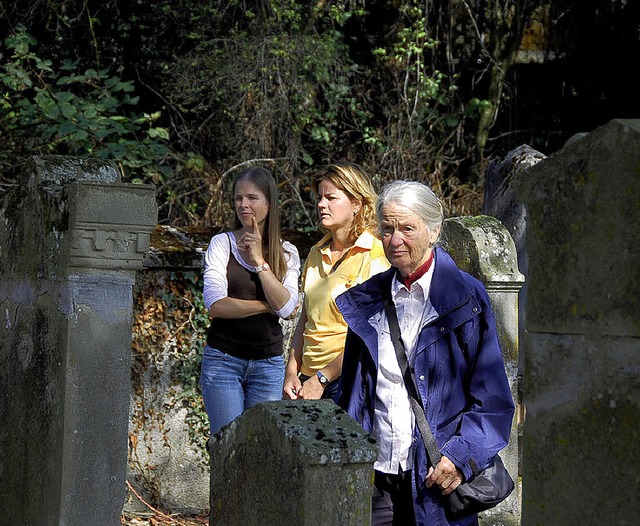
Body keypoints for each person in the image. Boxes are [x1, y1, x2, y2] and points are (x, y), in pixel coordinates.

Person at [335, 180, 514, 526]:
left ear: (434, 231)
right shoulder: (367, 301)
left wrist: (459, 457)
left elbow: (493, 400)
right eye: (387, 229)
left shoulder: (465, 299)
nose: (395, 239)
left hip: (436, 480)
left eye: (407, 228)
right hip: (374, 478)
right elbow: (354, 394)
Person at [201, 166, 300, 436]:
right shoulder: (222, 244)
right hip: (223, 361)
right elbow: (216, 305)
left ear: (269, 202)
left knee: (262, 449)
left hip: (268, 366)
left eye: (252, 198)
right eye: (237, 198)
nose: (243, 204)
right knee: (228, 446)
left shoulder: (287, 253)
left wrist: (259, 261)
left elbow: (288, 307)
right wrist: (268, 307)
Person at [283, 162, 390, 401]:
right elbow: (305, 319)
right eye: (320, 198)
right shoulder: (314, 253)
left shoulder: (375, 256)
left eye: (331, 197)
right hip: (305, 382)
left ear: (356, 204)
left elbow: (372, 334)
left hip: (348, 382)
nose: (321, 204)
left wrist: (322, 378)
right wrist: (291, 371)